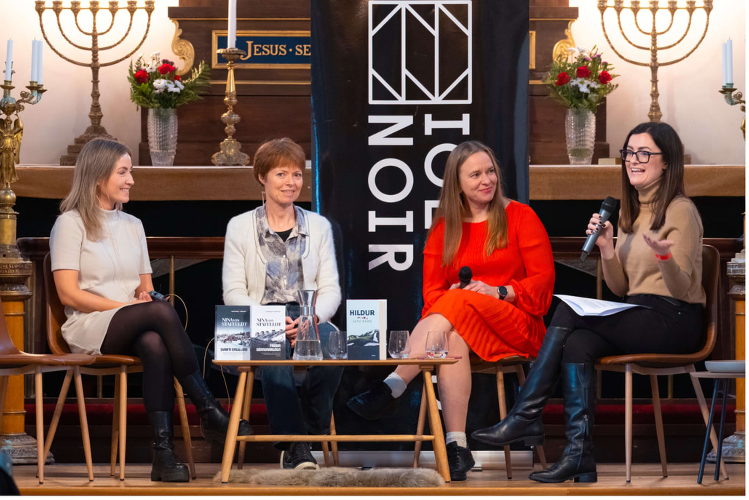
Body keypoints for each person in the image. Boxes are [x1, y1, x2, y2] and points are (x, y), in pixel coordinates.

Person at [472, 122, 706, 483]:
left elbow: (681, 287)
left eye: (644, 153)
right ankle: (579, 455)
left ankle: (525, 415)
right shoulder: (628, 212)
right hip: (640, 311)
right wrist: (608, 249)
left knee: (568, 311)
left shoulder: (680, 210)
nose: (633, 160)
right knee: (578, 343)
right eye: (629, 152)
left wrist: (663, 257)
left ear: (667, 162)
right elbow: (620, 288)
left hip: (676, 318)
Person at [347, 140, 555, 481]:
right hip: (465, 326)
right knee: (452, 334)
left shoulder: (520, 216)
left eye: (490, 171)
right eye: (475, 175)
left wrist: (498, 291)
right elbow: (432, 294)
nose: (486, 180)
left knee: (456, 301)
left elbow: (543, 282)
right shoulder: (446, 227)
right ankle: (457, 448)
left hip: (516, 323)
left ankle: (394, 384)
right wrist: (460, 296)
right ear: (456, 184)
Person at [49, 139, 252, 483]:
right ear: (98, 176)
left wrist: (140, 300)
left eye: (130, 172)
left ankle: (163, 454)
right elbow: (69, 293)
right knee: (158, 312)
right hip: (89, 325)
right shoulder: (70, 223)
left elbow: (143, 287)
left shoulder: (133, 225)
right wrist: (128, 307)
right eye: (123, 172)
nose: (131, 180)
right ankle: (208, 408)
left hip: (130, 320)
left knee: (154, 343)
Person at [222, 137, 343, 470]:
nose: (291, 182)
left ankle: (309, 433)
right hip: (258, 315)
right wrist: (269, 321)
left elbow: (331, 289)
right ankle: (295, 445)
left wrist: (312, 318)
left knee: (335, 346)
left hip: (307, 316)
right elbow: (233, 292)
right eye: (281, 174)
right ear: (262, 177)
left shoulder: (318, 226)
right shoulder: (239, 226)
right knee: (272, 349)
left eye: (297, 174)